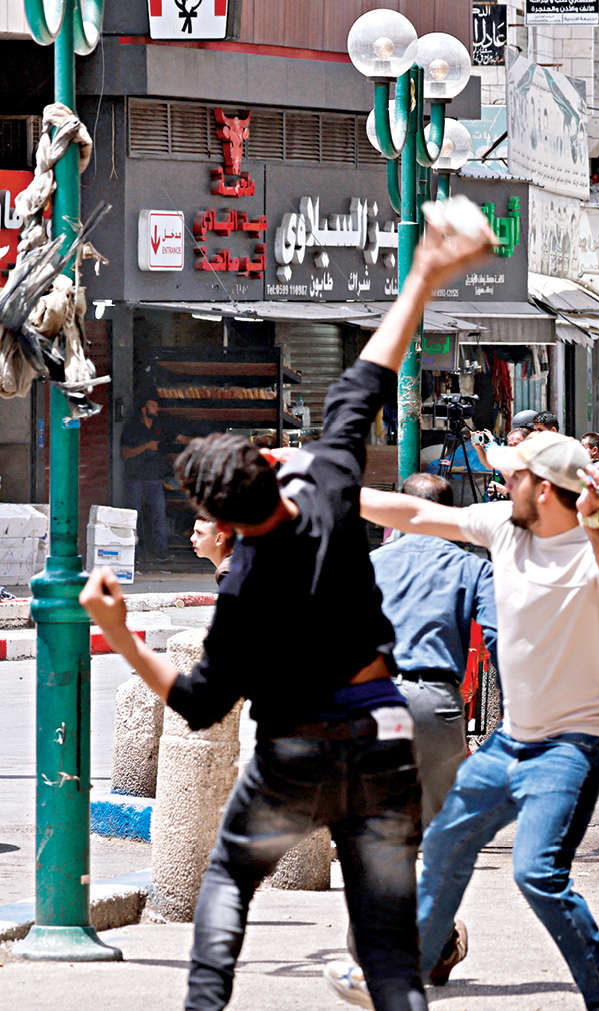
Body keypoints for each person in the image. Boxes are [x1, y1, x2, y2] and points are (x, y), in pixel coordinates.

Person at [78, 214, 497, 1011]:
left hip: (294, 749)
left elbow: (200, 700)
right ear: (268, 464)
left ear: (220, 519)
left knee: (228, 882)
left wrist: (122, 633)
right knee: (385, 939)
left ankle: (206, 1001)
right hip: (380, 729)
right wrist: (424, 273)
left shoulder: (243, 585)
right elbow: (370, 374)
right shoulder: (331, 485)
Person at [331, 431, 599, 1010]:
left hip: (578, 741)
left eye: (514, 476)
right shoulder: (504, 526)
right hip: (514, 739)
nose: (502, 483)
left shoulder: (593, 549)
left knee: (537, 873)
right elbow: (414, 513)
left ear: (543, 489)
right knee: (447, 840)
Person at [371, 472, 500, 824]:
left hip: (375, 699)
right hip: (436, 703)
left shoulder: (371, 564)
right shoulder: (473, 568)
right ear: (449, 512)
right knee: (437, 828)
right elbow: (500, 640)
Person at [121, 397, 188, 563]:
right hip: (135, 479)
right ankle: (132, 556)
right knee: (133, 518)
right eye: (153, 406)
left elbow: (180, 439)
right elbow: (125, 453)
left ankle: (161, 553)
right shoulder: (132, 428)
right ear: (143, 409)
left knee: (159, 516)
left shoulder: (160, 427)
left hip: (154, 479)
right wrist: (146, 446)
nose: (156, 409)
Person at [189, 517, 235, 587]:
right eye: (194, 532)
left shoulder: (227, 573)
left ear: (219, 538)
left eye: (200, 533)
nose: (192, 538)